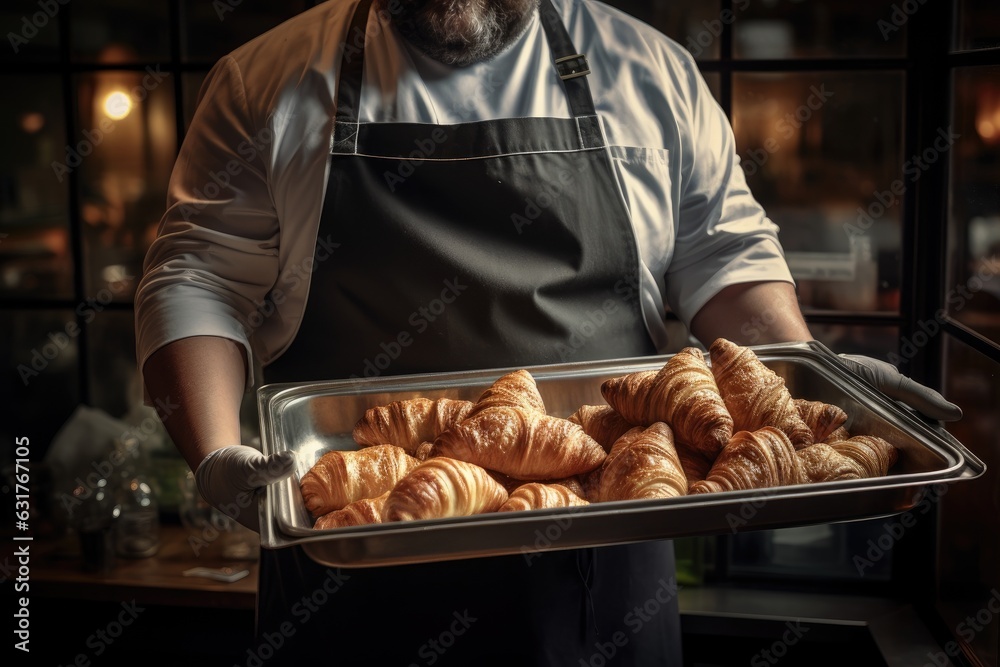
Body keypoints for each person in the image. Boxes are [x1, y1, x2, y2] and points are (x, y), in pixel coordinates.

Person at [136, 0, 961, 663]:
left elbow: (726, 258)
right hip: (349, 557)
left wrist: (807, 384)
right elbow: (198, 277)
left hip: (603, 569)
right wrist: (213, 451)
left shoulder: (650, 72)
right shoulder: (266, 80)